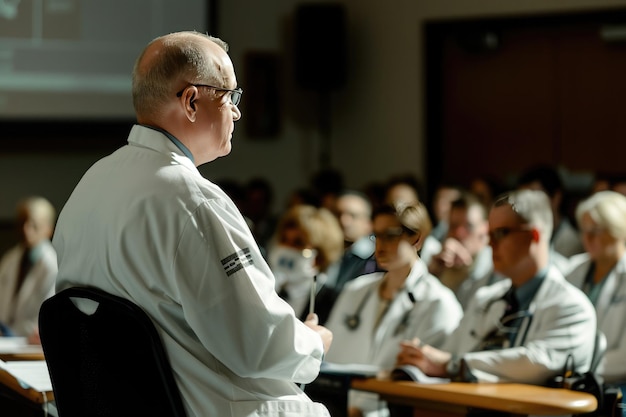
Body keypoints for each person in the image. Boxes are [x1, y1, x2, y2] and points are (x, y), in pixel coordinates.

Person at [52, 31, 333, 417]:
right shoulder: (192, 200)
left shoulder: (89, 187)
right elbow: (257, 344)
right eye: (231, 96)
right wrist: (314, 342)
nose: (236, 112)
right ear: (191, 101)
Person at [396, 189, 596, 387]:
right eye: (489, 234)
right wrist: (422, 358)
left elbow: (535, 362)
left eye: (500, 233)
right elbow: (446, 354)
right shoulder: (485, 298)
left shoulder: (573, 307)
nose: (490, 243)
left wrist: (454, 364)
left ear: (533, 235)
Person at [325, 202, 462, 417]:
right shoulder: (356, 290)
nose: (380, 246)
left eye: (391, 235)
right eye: (376, 236)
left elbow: (434, 388)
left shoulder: (439, 303)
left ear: (416, 238)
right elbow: (328, 360)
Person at [566, 190, 626, 404]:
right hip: (572, 380)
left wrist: (583, 369)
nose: (587, 238)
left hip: (615, 387)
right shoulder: (573, 270)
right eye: (584, 230)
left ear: (618, 231)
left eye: (596, 231)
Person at [311, 189, 380, 324]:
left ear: (368, 223)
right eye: (338, 214)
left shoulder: (376, 261)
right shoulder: (320, 254)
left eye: (353, 216)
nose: (344, 221)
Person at [266, 204, 344, 319]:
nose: (287, 248)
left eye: (298, 243)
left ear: (320, 256)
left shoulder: (329, 300)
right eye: (284, 240)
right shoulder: (265, 286)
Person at [428, 192, 501, 310]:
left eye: (469, 226)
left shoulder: (496, 271)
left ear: (485, 230)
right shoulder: (440, 262)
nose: (458, 233)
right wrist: (432, 275)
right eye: (453, 226)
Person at [0, 196, 57, 341]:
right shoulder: (10, 259)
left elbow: (45, 314)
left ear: (48, 229)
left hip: (30, 342)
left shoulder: (52, 265)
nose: (26, 229)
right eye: (22, 223)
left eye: (34, 225)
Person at [517, 164, 584, 260]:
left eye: (534, 198)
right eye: (522, 200)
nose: (527, 206)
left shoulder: (570, 241)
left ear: (556, 197)